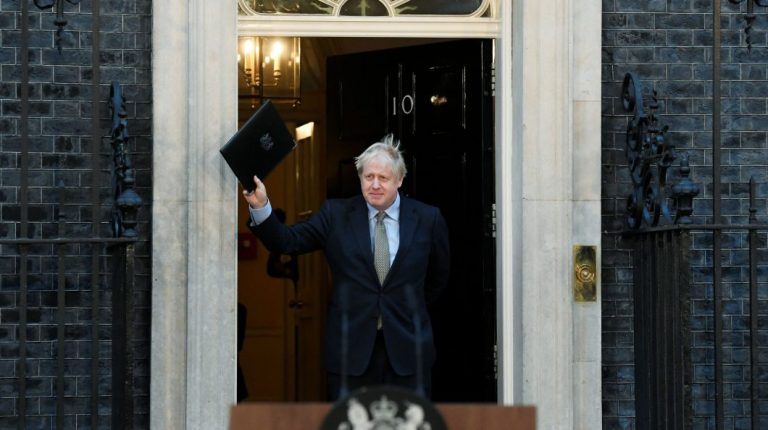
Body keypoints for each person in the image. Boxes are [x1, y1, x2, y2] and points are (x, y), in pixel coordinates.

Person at [243, 135, 450, 401]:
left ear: (399, 180)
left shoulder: (428, 218)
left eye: (383, 178)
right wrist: (260, 206)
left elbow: (438, 278)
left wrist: (406, 307)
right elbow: (286, 241)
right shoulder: (335, 215)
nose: (375, 185)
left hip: (409, 354)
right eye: (368, 177)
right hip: (350, 355)